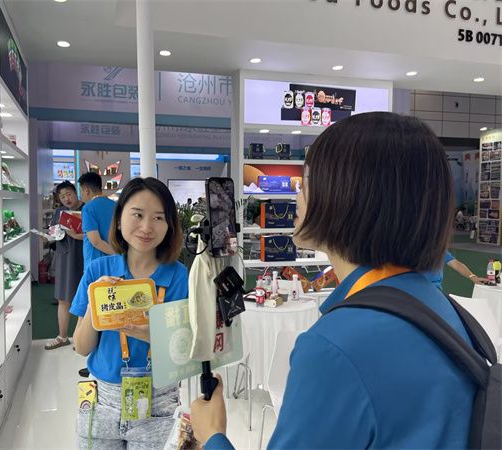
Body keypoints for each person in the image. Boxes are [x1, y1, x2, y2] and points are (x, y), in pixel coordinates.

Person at [191, 112, 478, 449]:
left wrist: (212, 435)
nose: (298, 194)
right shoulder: (445, 311)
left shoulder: (335, 348)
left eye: (308, 180)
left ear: (349, 197)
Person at [71, 177, 188, 449]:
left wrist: (154, 336)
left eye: (158, 218)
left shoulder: (179, 276)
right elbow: (81, 347)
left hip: (158, 401)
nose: (147, 227)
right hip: (102, 399)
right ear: (119, 219)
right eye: (137, 214)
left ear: (169, 225)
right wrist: (96, 304)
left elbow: (184, 354)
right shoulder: (98, 271)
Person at [45, 182, 84, 350]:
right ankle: (62, 337)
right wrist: (48, 237)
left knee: (86, 299)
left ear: (76, 192)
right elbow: (54, 232)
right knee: (63, 298)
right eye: (62, 197)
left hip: (84, 257)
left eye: (68, 194)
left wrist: (77, 236)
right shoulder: (59, 212)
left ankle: (83, 339)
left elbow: (95, 235)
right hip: (65, 257)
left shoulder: (87, 209)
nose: (66, 199)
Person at [78, 172, 116, 269]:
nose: (81, 195)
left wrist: (116, 253)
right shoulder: (115, 205)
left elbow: (96, 241)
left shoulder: (88, 208)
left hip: (95, 262)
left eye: (80, 191)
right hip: (115, 262)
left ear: (86, 190)